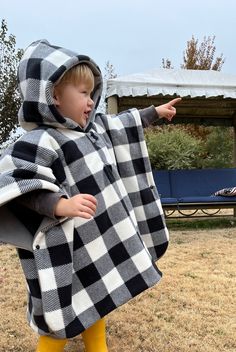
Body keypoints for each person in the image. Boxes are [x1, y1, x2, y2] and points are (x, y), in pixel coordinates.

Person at [0, 39, 181, 352]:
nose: (90, 100)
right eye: (83, 93)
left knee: (97, 295)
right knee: (61, 309)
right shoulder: (40, 141)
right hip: (65, 246)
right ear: (53, 94)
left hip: (95, 239)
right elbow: (22, 188)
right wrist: (59, 204)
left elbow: (121, 124)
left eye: (91, 92)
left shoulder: (93, 130)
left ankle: (98, 347)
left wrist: (154, 112)